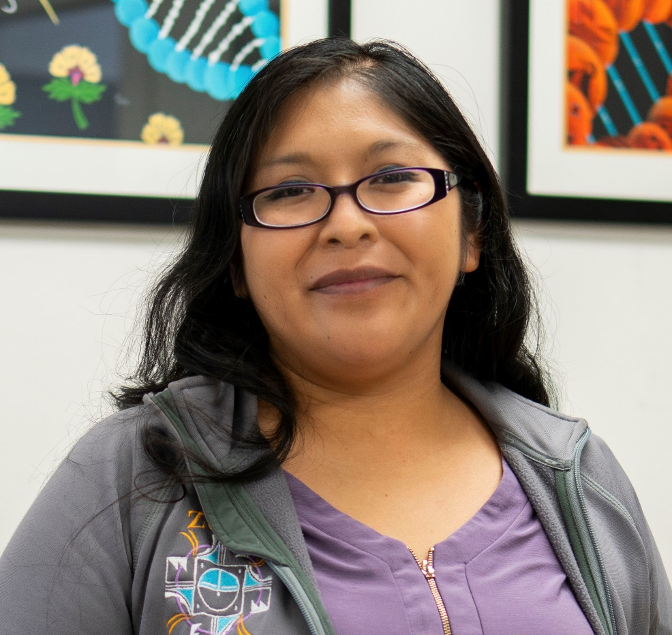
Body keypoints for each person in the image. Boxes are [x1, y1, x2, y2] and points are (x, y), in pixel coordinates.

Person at [0, 37, 669, 635]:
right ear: (235, 259)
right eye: (290, 190)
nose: (347, 224)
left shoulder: (576, 477)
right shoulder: (133, 476)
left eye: (391, 178)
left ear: (472, 233)